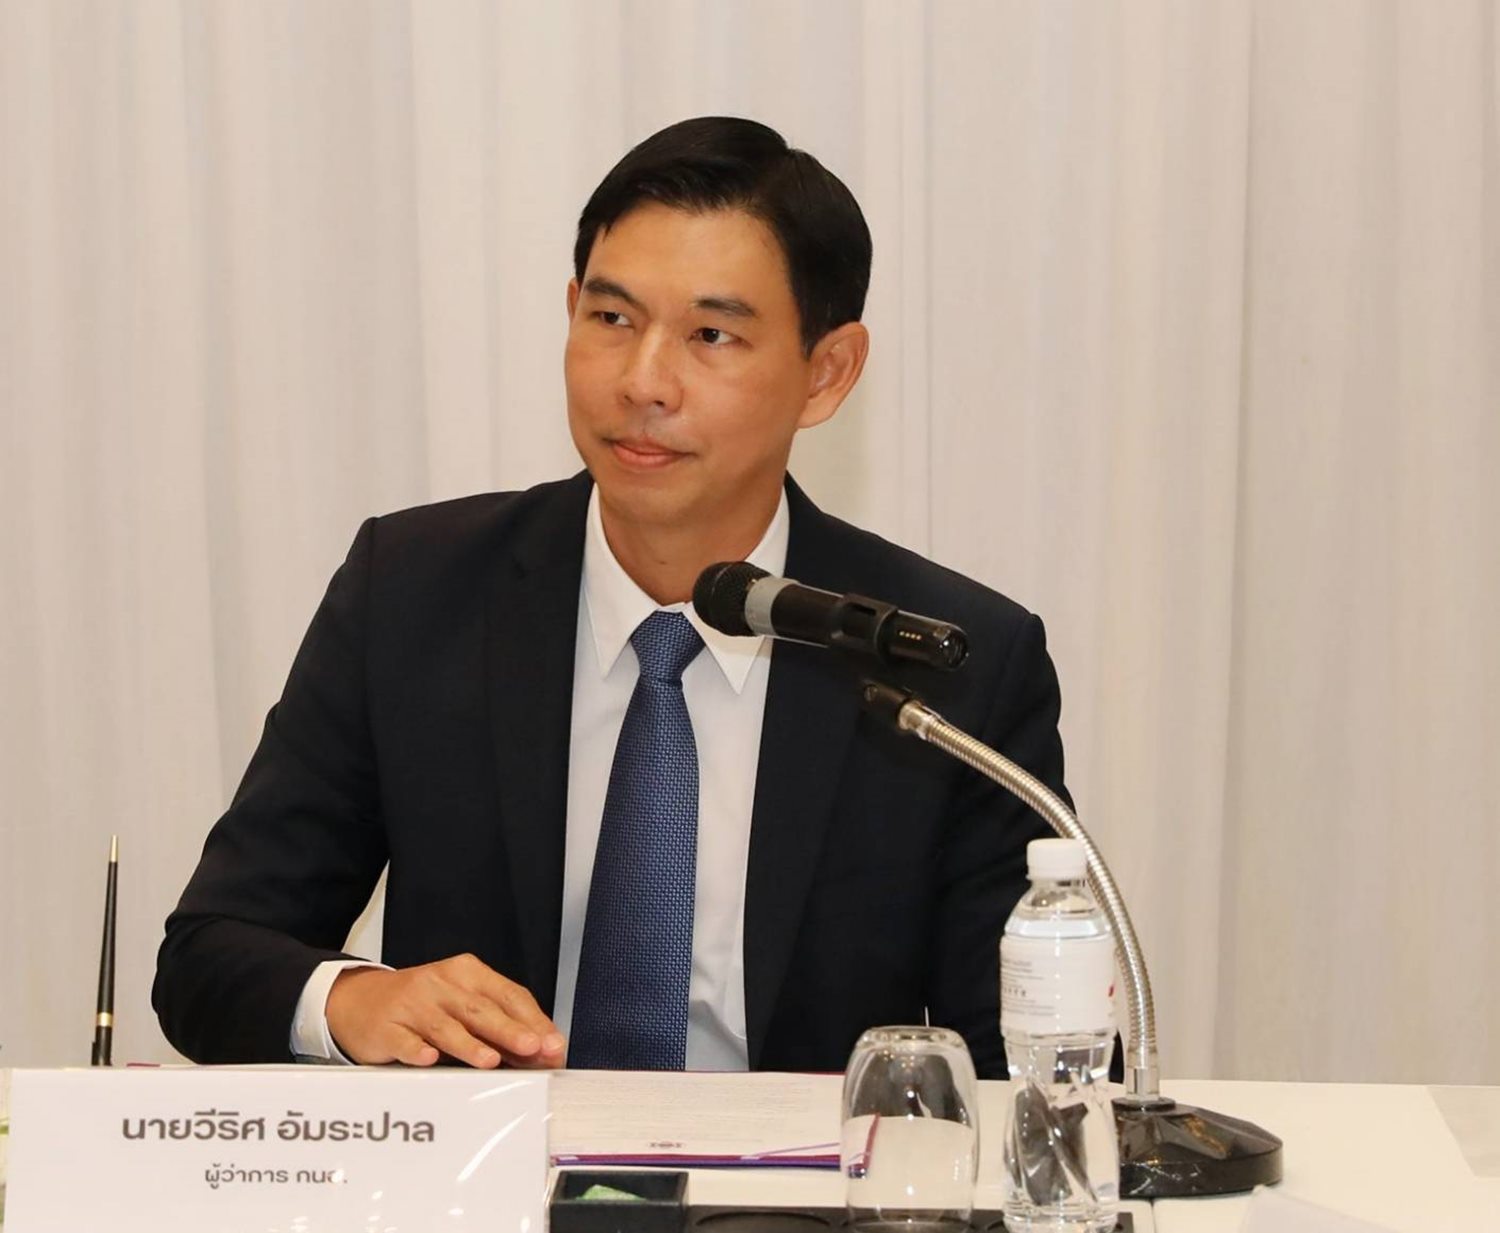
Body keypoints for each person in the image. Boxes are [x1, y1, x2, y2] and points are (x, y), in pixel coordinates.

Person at [153, 116, 1063, 1078]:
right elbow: (209, 955)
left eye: (711, 335)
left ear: (826, 373)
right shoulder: (414, 593)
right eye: (612, 319)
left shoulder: (945, 665)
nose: (642, 382)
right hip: (496, 1164)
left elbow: (1033, 1064)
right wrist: (351, 1001)